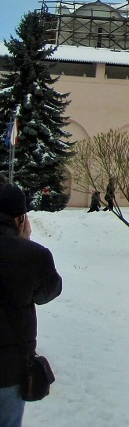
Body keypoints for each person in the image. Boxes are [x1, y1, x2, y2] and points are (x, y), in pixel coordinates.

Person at [0, 183, 63, 427]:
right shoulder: (33, 255)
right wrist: (24, 242)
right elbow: (49, 292)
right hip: (8, 371)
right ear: (21, 218)